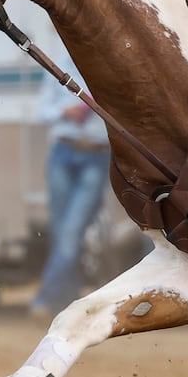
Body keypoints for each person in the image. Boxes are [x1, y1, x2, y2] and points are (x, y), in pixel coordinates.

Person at [28, 55, 111, 320]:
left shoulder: (106, 67)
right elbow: (41, 110)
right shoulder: (59, 65)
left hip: (96, 156)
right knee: (63, 231)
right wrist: (63, 111)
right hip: (62, 153)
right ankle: (70, 299)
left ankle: (45, 298)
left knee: (70, 231)